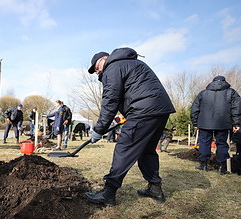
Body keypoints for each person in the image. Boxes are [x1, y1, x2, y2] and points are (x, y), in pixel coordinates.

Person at [84, 48, 176, 207]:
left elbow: (110, 100)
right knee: (146, 150)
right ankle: (155, 189)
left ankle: (109, 193)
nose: (97, 72)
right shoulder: (131, 63)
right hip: (160, 110)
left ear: (106, 58)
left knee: (124, 148)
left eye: (97, 67)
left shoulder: (113, 67)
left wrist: (99, 129)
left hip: (143, 111)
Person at [191, 76, 240, 174]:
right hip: (223, 123)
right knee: (222, 143)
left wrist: (195, 123)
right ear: (225, 82)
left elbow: (194, 109)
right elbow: (237, 108)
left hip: (204, 123)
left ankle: (203, 165)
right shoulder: (231, 92)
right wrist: (236, 123)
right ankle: (221, 167)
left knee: (204, 142)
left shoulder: (203, 93)